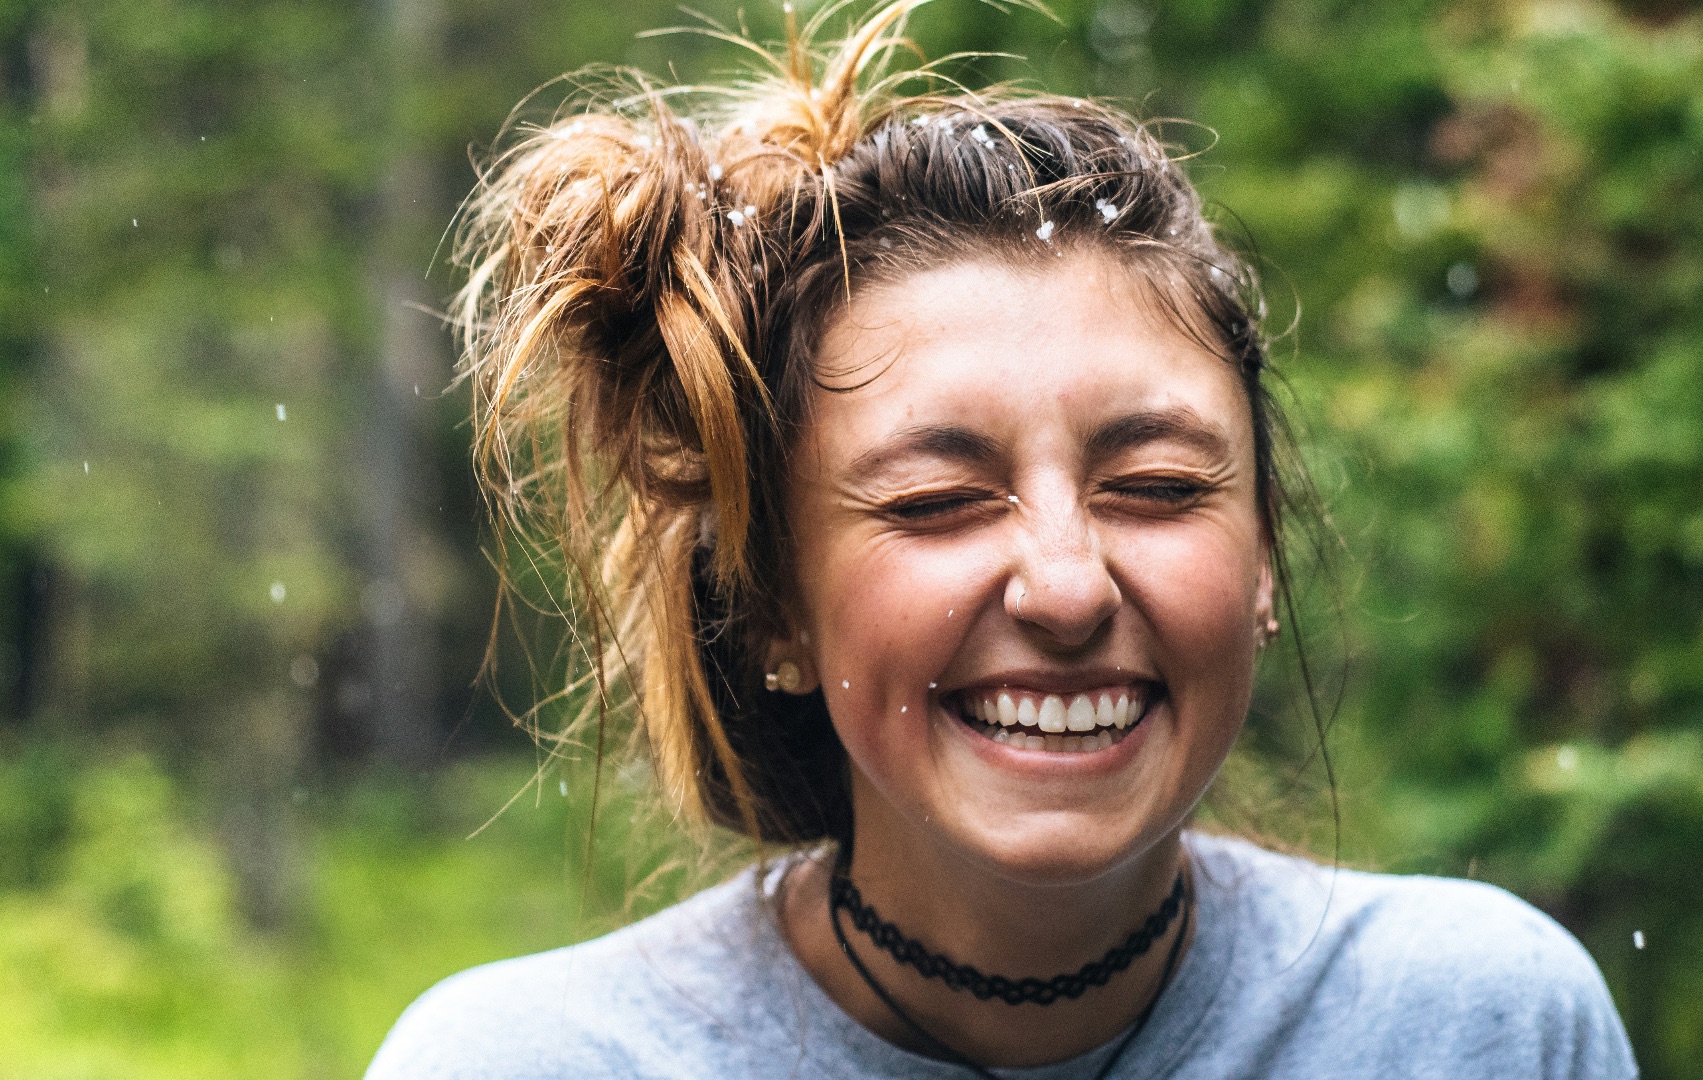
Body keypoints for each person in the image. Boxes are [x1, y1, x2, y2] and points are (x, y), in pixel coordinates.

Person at [367, 3, 1638, 1077]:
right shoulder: (530, 1060)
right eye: (933, 503)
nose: (1068, 584)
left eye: (1151, 485)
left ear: (1263, 562)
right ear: (773, 610)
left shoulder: (1478, 1026)